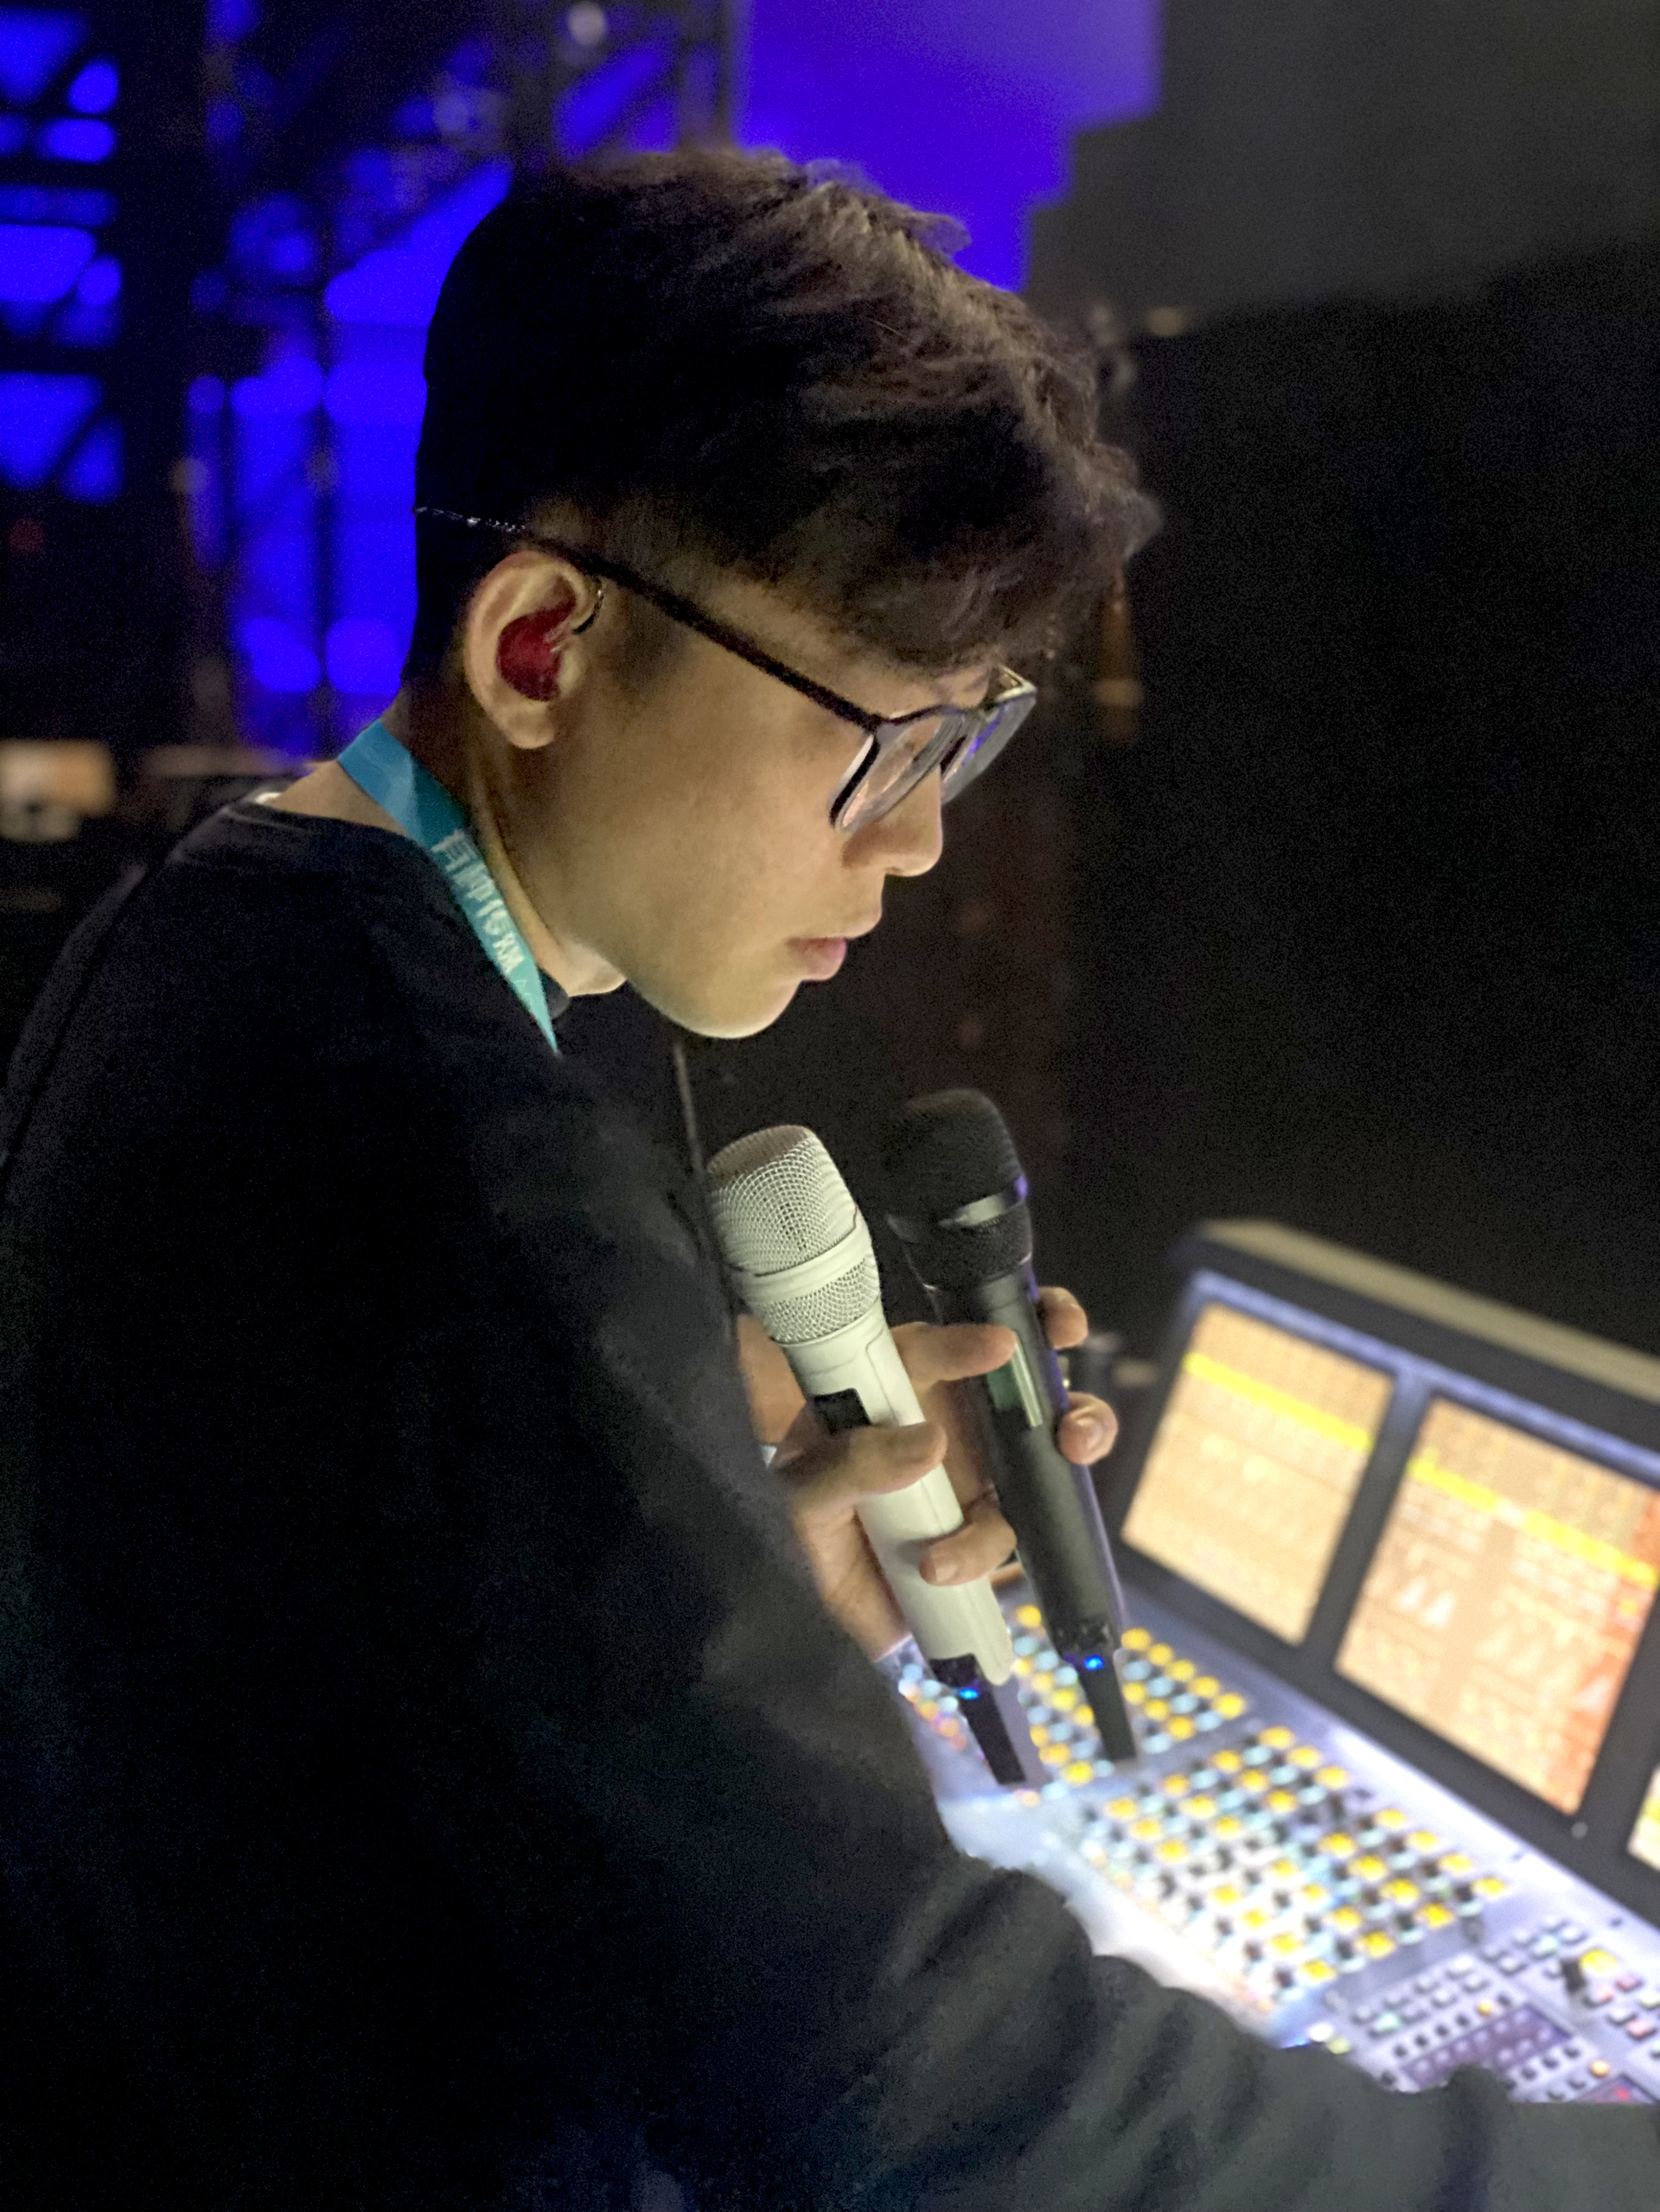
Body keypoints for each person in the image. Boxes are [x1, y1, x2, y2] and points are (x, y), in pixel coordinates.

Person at [1, 148, 1656, 2212]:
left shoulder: (202, 939)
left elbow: (317, 1715)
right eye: (882, 740)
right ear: (543, 647)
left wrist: (697, 1592)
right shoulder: (476, 1180)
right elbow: (931, 2101)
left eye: (969, 743)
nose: (922, 841)